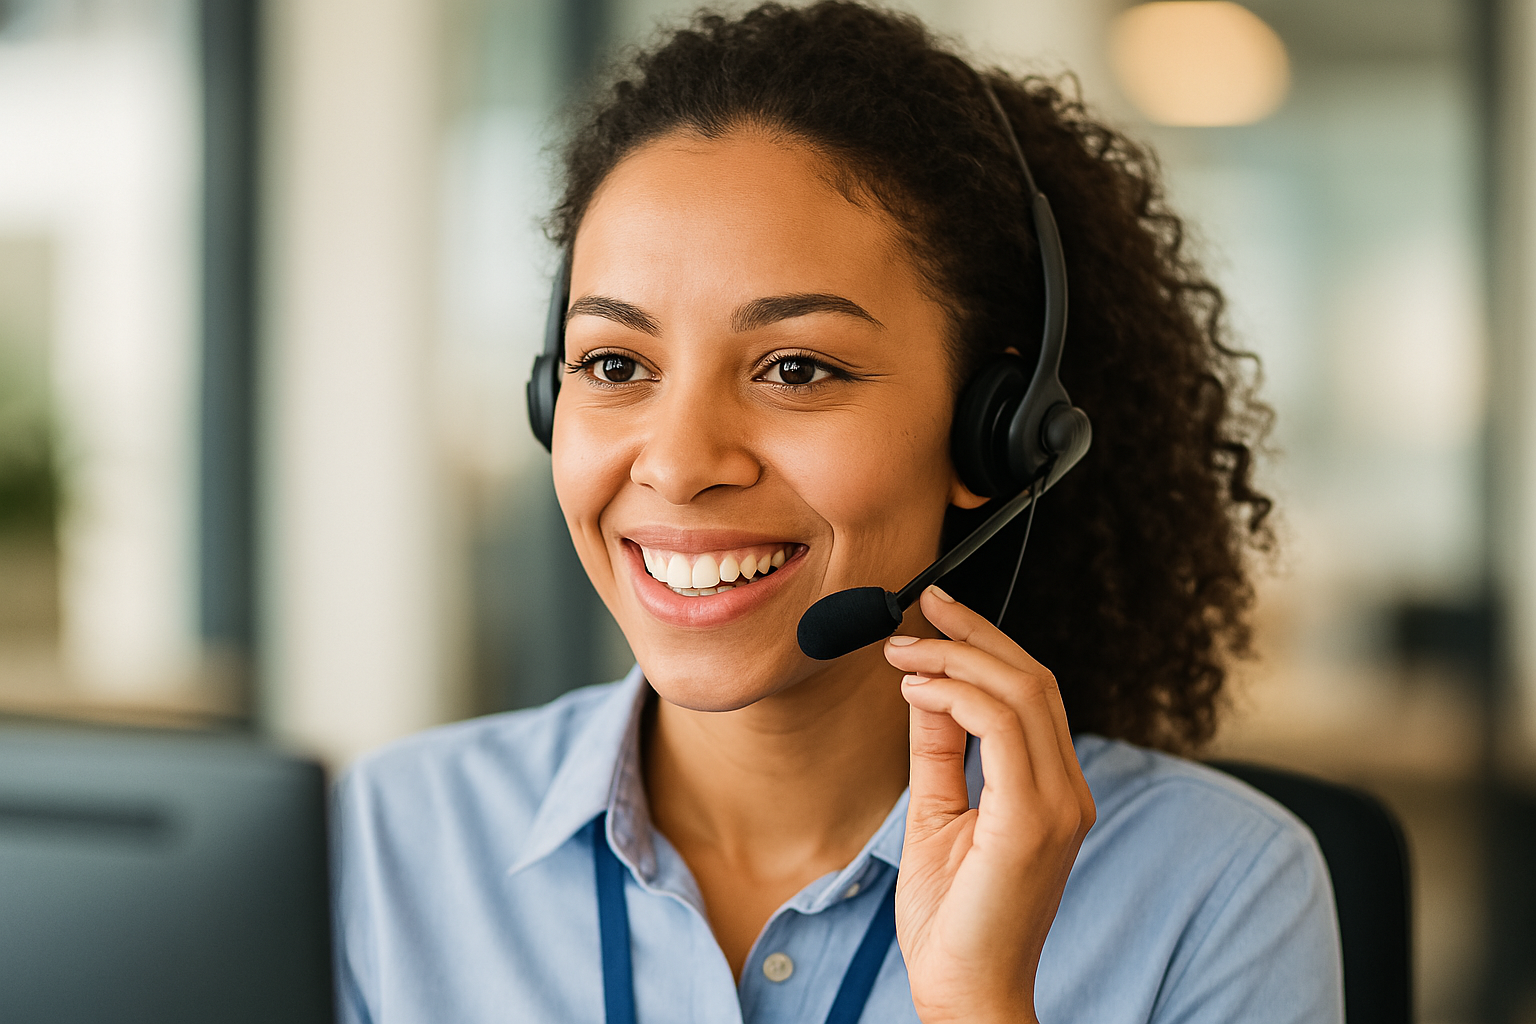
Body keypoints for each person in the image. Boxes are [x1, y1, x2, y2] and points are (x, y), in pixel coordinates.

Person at [332, 3, 1344, 1022]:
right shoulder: (382, 846)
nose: (680, 464)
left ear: (993, 431)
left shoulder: (1215, 891)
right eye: (615, 364)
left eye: (796, 368)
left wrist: (979, 999)